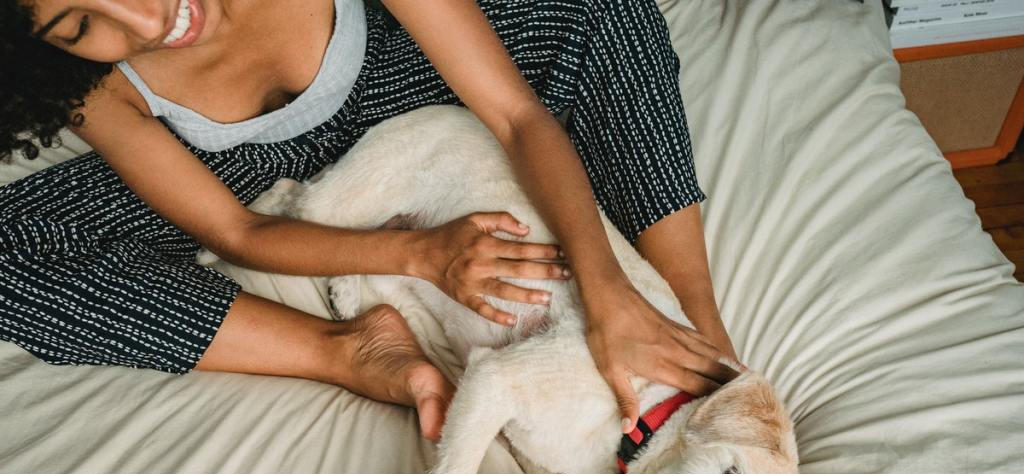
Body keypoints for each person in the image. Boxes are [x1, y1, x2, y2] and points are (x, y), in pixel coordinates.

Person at [0, 0, 739, 442]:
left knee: (599, 7)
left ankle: (686, 320)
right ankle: (342, 348)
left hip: (402, 74)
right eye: (78, 23)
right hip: (250, 175)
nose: (148, 19)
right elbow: (240, 234)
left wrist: (609, 291)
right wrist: (417, 254)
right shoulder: (90, 84)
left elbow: (515, 117)